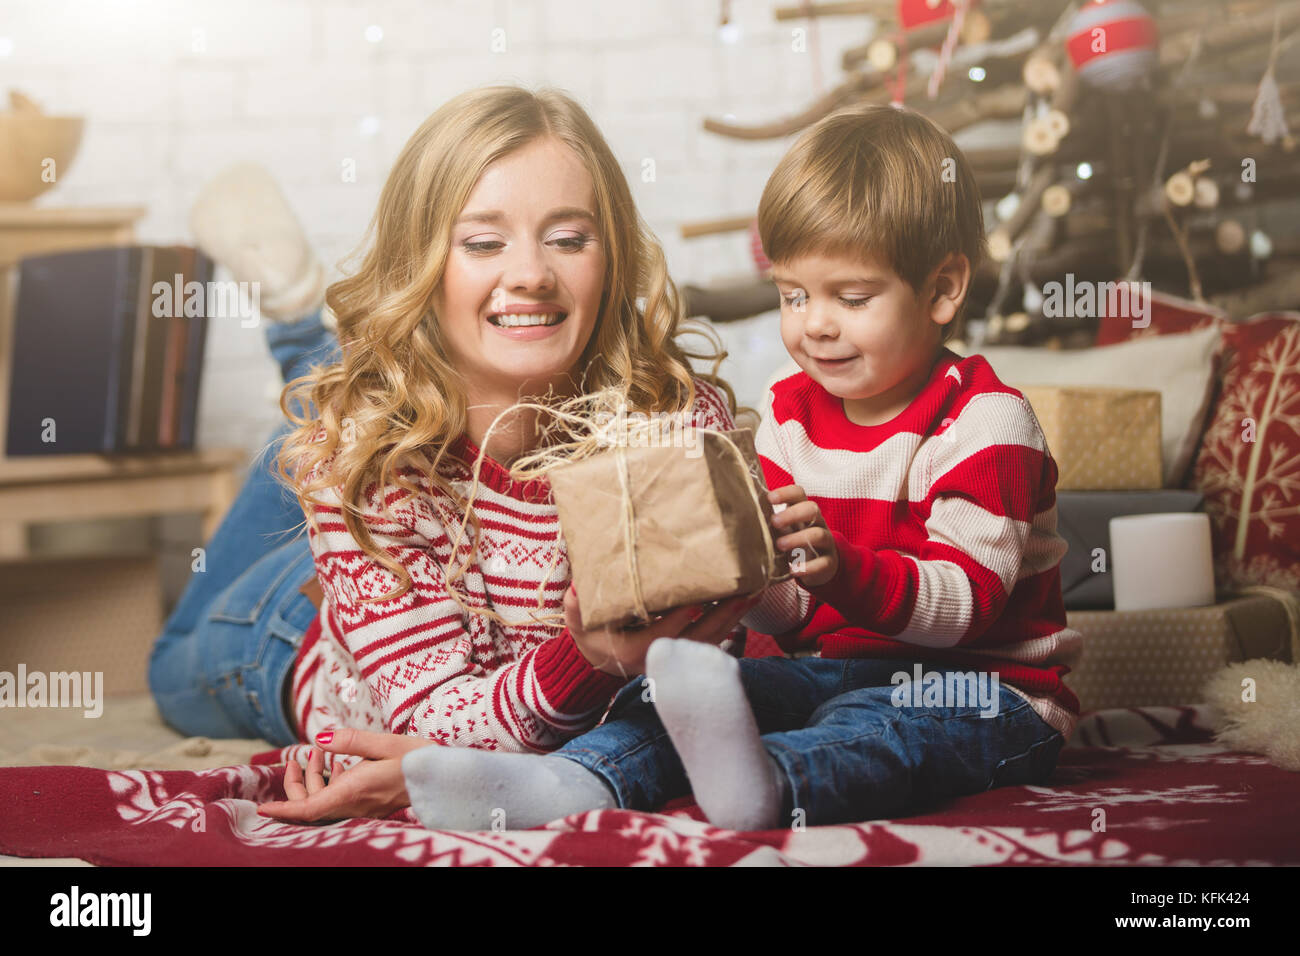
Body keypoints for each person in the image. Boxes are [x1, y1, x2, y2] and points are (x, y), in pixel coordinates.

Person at [384, 103, 1085, 832]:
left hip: (980, 688)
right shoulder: (788, 411)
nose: (814, 324)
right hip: (827, 673)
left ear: (942, 289)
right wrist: (743, 566)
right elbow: (793, 615)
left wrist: (840, 566)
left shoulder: (986, 420)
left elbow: (965, 609)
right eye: (793, 296)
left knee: (880, 727)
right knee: (666, 699)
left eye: (851, 297)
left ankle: (773, 785)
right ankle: (567, 784)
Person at [146, 85, 758, 821]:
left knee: (347, 416)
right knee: (170, 663)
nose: (532, 272)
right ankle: (304, 329)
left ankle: (318, 352)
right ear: (424, 268)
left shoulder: (674, 418)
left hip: (424, 538)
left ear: (613, 256)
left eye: (568, 239)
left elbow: (742, 646)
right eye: (483, 241)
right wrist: (587, 659)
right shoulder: (361, 470)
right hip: (287, 636)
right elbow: (434, 732)